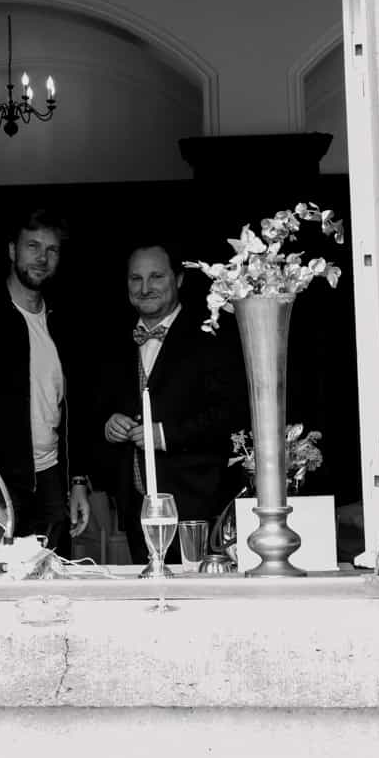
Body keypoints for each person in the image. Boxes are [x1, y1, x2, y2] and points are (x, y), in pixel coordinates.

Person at [95, 240, 247, 563]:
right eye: (136, 279)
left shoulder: (211, 333)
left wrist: (165, 434)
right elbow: (96, 407)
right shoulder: (112, 342)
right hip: (136, 510)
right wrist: (109, 425)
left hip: (199, 507)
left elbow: (232, 413)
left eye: (156, 277)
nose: (145, 288)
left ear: (178, 280)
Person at [0, 209, 91, 553]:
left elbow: (77, 410)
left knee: (53, 581)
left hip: (51, 480)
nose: (42, 258)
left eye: (52, 250)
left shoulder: (64, 323)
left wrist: (77, 482)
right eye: (33, 246)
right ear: (13, 250)